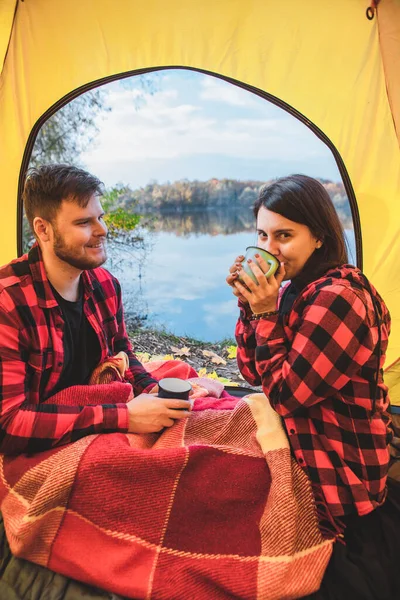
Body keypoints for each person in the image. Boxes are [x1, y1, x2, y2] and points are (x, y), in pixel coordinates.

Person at [227, 174, 398, 599]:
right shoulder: (296, 290)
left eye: (284, 235)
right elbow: (254, 373)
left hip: (339, 463)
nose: (270, 249)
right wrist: (251, 308)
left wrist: (266, 314)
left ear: (319, 237)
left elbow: (286, 396)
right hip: (304, 434)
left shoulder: (340, 297)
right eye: (263, 234)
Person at [0, 164, 190, 456]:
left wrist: (149, 388)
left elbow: (120, 347)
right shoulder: (8, 302)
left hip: (97, 416)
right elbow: (8, 425)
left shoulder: (106, 285)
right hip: (41, 441)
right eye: (84, 222)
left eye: (100, 217)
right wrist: (124, 416)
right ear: (43, 229)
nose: (102, 230)